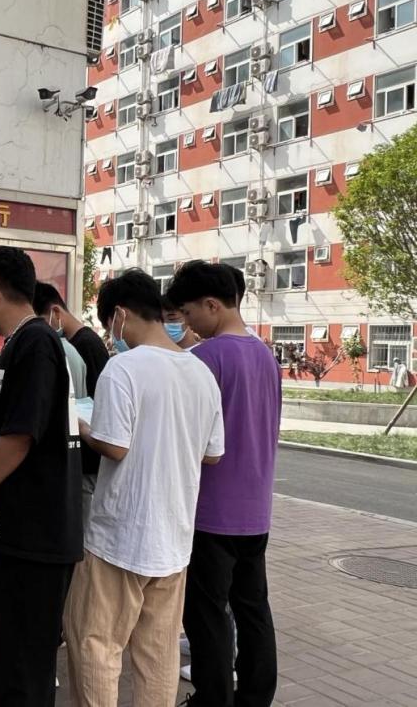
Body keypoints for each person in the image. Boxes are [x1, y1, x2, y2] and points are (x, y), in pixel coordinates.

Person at [65, 269, 224, 707]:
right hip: (174, 538)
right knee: (158, 652)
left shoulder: (123, 368)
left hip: (120, 535)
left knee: (96, 644)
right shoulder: (200, 372)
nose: (110, 335)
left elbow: (114, 446)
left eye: (108, 324)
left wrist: (84, 427)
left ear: (120, 315)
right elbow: (212, 454)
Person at [0, 247, 82, 707]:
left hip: (38, 538)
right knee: (11, 658)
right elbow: (5, 429)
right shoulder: (19, 344)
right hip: (20, 534)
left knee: (25, 667)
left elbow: (21, 435)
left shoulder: (36, 344)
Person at [166, 261, 282, 707]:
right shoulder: (265, 356)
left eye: (189, 313)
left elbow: (186, 438)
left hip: (211, 512)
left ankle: (213, 699)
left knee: (207, 615)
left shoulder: (204, 359)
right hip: (256, 510)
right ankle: (255, 697)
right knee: (253, 610)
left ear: (212, 305)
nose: (187, 324)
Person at [33, 280, 108, 531]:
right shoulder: (72, 344)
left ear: (55, 312)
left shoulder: (85, 345)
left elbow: (95, 405)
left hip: (87, 464)